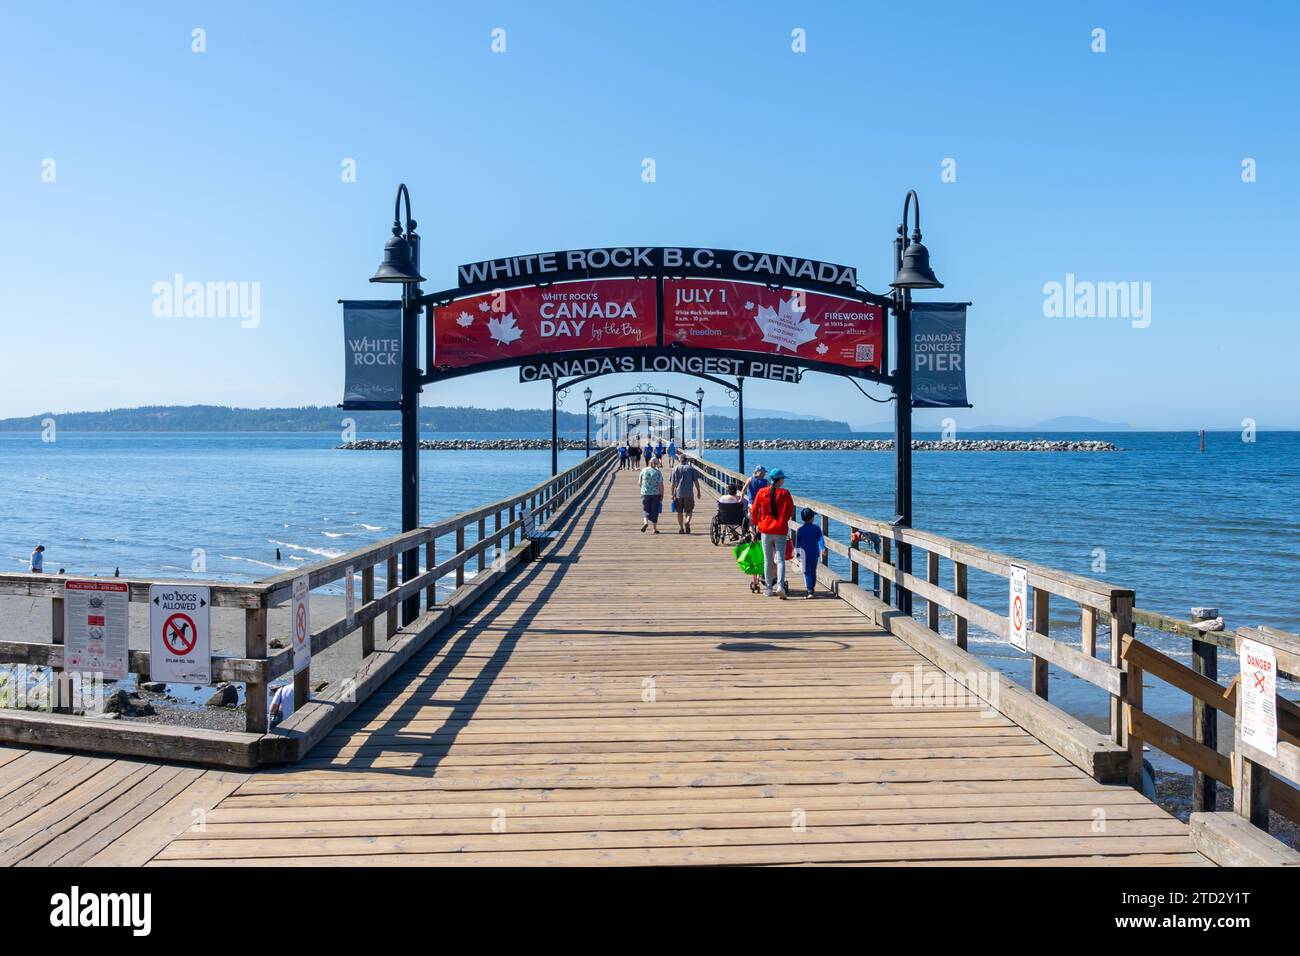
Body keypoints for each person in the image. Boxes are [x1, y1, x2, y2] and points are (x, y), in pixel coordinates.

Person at [750, 468, 794, 599]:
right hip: (780, 530)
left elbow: (754, 509)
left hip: (765, 529)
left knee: (767, 561)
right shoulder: (785, 493)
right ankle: (780, 586)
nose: (783, 481)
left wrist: (757, 523)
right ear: (779, 480)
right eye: (783, 479)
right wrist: (782, 521)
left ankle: (769, 588)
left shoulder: (762, 492)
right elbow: (790, 511)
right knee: (780, 560)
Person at [794, 508, 828, 599]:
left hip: (804, 554)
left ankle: (810, 590)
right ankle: (812, 588)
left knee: (807, 572)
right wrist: (823, 548)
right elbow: (820, 539)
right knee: (813, 571)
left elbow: (797, 543)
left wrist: (797, 553)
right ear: (812, 518)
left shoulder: (800, 530)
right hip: (814, 553)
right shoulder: (816, 529)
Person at [670, 455, 701, 534]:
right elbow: (696, 482)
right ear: (686, 460)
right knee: (689, 511)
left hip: (678, 493)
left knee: (679, 512)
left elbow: (672, 483)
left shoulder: (675, 469)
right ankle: (687, 521)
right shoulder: (691, 469)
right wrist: (698, 492)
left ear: (680, 460)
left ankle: (681, 528)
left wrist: (672, 494)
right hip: (689, 494)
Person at [639, 456, 664, 534]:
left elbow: (639, 483)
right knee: (654, 511)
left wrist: (644, 488)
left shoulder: (644, 470)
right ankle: (654, 529)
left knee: (645, 509)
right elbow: (660, 485)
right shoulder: (658, 472)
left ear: (650, 462)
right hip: (655, 494)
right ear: (657, 464)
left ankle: (645, 523)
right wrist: (662, 495)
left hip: (645, 493)